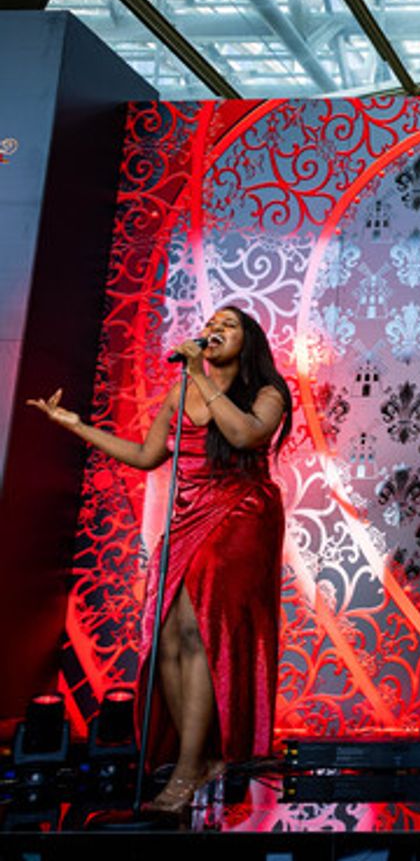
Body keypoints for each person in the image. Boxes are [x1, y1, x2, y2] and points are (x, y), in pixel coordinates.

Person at [29, 305, 290, 813]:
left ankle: (190, 768)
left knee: (201, 632)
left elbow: (243, 435)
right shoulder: (180, 391)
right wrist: (76, 426)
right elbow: (147, 456)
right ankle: (201, 756)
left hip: (240, 512)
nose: (215, 329)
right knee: (166, 636)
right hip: (188, 515)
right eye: (212, 323)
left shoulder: (267, 392)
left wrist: (200, 376)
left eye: (229, 325)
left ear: (249, 340)